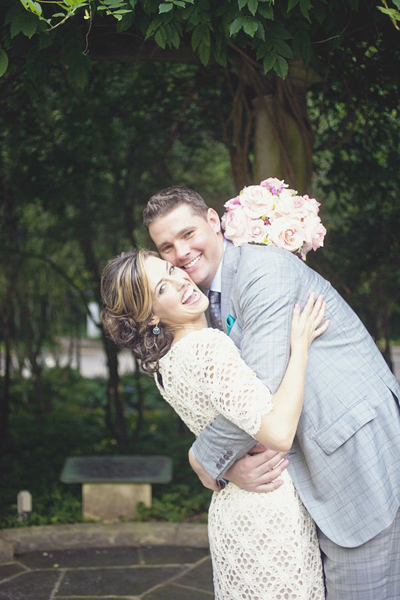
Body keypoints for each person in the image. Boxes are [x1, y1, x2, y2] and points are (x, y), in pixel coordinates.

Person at [143, 186, 400, 600]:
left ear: (214, 222)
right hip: (302, 473)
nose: (182, 252)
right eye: (167, 246)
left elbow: (259, 392)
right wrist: (227, 466)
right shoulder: (199, 301)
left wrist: (204, 460)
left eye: (188, 234)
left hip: (353, 455)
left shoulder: (263, 270)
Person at [101, 248, 328, 599]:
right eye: (162, 289)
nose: (181, 281)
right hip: (266, 514)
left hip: (233, 511)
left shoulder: (165, 364)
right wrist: (300, 349)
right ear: (148, 319)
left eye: (171, 270)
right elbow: (280, 432)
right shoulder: (205, 347)